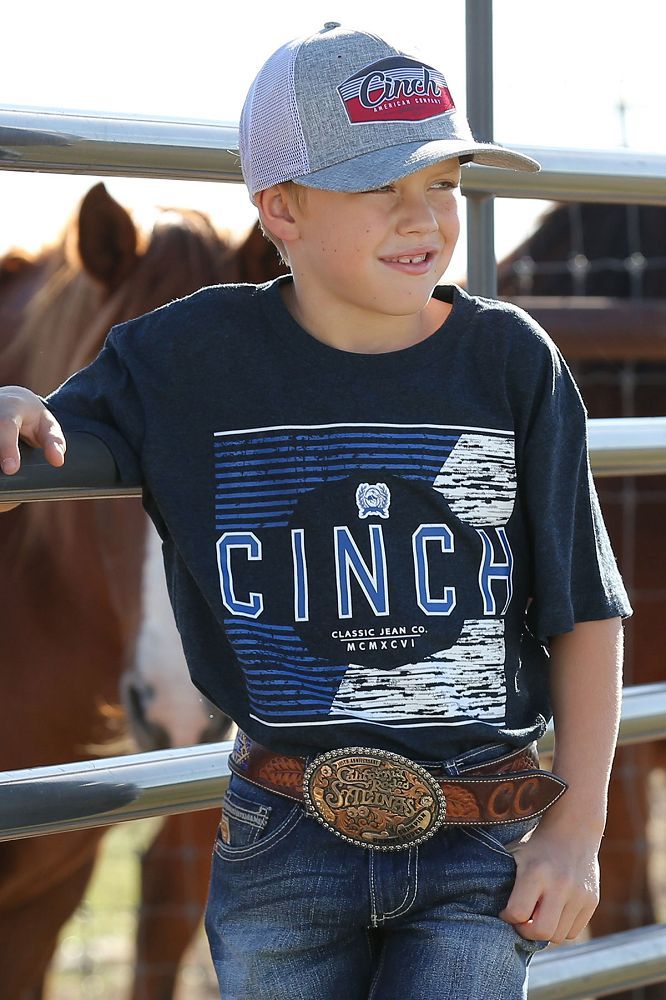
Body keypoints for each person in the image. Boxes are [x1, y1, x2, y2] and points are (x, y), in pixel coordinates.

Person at [0, 23, 631, 1000]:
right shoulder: (191, 353)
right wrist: (15, 404)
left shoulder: (512, 363)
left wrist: (578, 826)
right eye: (383, 186)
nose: (424, 217)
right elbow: (63, 416)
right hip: (283, 835)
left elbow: (583, 608)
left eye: (444, 183)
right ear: (281, 209)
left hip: (475, 829)